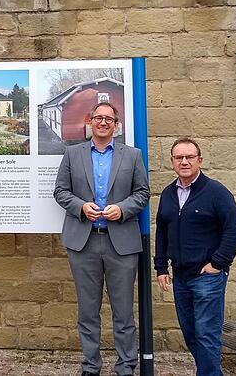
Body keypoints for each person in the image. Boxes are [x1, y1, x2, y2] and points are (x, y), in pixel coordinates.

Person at [53, 102, 150, 376]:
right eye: (99, 118)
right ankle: (91, 365)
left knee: (123, 312)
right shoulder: (73, 154)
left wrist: (122, 209)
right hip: (83, 242)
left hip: (121, 243)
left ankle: (125, 366)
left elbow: (142, 193)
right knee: (87, 311)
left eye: (109, 118)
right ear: (90, 121)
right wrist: (81, 207)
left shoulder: (132, 156)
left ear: (116, 124)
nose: (103, 122)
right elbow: (60, 192)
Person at [154, 137, 236, 376]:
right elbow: (162, 231)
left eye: (189, 157)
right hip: (180, 277)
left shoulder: (215, 191)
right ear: (172, 162)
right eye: (179, 157)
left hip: (207, 277)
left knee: (207, 334)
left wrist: (218, 263)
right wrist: (161, 267)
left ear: (199, 160)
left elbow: (235, 229)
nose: (184, 161)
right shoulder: (168, 194)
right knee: (191, 334)